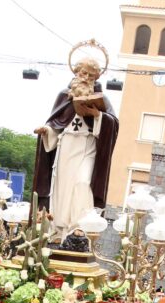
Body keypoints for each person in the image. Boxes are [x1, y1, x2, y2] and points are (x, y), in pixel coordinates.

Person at [33, 58, 119, 243]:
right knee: (63, 188)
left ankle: (79, 227)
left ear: (96, 77)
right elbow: (55, 124)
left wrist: (97, 115)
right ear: (76, 73)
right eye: (83, 73)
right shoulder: (64, 96)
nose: (86, 77)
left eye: (90, 74)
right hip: (67, 146)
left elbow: (113, 124)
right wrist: (46, 131)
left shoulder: (101, 98)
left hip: (87, 146)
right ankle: (58, 229)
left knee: (82, 182)